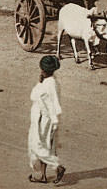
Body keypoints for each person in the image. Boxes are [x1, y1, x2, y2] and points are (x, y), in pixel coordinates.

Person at [28, 55, 65, 185]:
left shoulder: (50, 85)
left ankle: (58, 167)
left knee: (37, 145)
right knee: (45, 146)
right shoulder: (48, 82)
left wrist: (54, 122)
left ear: (44, 69)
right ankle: (43, 175)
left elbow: (53, 104)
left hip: (46, 119)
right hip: (43, 118)